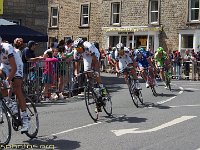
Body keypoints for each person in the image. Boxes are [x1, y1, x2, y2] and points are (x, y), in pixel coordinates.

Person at [0, 37, 29, 132]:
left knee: (16, 88)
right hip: (4, 65)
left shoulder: (7, 48)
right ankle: (9, 103)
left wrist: (7, 80)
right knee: (1, 84)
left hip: (16, 65)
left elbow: (14, 68)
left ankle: (25, 119)